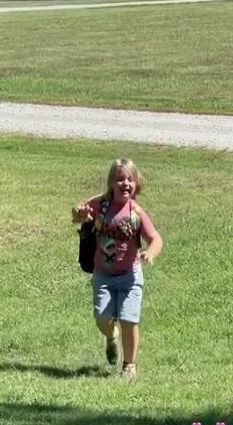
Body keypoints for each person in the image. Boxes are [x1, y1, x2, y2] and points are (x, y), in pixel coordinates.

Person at [71, 158, 163, 381]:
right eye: (120, 179)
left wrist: (150, 252)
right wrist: (79, 214)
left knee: (129, 319)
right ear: (111, 183)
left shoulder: (137, 213)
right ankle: (111, 336)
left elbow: (156, 238)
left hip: (130, 276)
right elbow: (76, 213)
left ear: (136, 184)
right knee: (102, 316)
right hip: (103, 275)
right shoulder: (100, 204)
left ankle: (129, 366)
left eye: (130, 179)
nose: (125, 184)